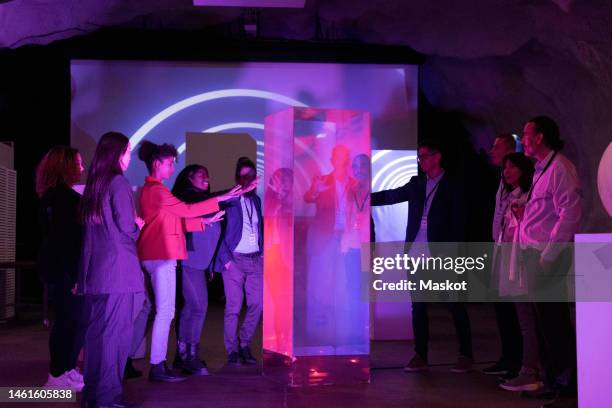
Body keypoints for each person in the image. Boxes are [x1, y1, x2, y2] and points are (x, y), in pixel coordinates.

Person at [137, 141, 246, 382]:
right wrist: (224, 196)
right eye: (170, 163)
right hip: (161, 253)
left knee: (169, 311)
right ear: (157, 164)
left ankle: (165, 362)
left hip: (163, 253)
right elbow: (186, 210)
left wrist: (203, 223)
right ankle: (158, 366)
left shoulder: (156, 190)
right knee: (166, 312)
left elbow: (174, 220)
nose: (173, 167)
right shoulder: (157, 190)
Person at [371, 139, 473, 373]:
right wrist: (366, 197)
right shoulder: (417, 183)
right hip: (417, 251)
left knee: (454, 304)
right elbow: (392, 195)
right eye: (419, 157)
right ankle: (420, 355)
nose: (421, 161)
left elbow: (459, 222)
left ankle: (466, 354)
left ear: (438, 157)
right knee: (418, 305)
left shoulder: (453, 184)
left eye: (425, 156)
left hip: (443, 252)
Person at [512, 116, 581, 408]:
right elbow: (546, 213)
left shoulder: (561, 168)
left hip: (547, 258)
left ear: (540, 137)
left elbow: (569, 214)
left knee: (555, 325)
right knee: (543, 324)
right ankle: (552, 382)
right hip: (534, 255)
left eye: (526, 134)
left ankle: (565, 387)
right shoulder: (542, 169)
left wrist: (548, 255)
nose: (523, 139)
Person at [78, 132, 145, 408]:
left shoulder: (95, 185)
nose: (129, 157)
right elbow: (127, 228)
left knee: (97, 337)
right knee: (115, 338)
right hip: (120, 274)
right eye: (128, 151)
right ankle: (108, 398)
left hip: (97, 274)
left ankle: (94, 396)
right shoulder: (118, 183)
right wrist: (138, 225)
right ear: (117, 153)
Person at [36, 146, 86, 391]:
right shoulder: (65, 199)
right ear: (66, 166)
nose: (82, 168)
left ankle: (65, 369)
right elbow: (66, 242)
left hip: (58, 269)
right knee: (68, 322)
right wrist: (75, 276)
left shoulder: (52, 196)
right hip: (66, 271)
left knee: (72, 322)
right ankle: (56, 376)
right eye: (78, 163)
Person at [170, 165, 222, 375]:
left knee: (192, 308)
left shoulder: (201, 197)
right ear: (189, 178)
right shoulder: (188, 197)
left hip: (200, 264)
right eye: (202, 174)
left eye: (207, 173)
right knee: (197, 307)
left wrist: (210, 264)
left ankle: (185, 357)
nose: (206, 176)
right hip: (188, 262)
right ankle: (187, 357)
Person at [482, 134, 524, 379]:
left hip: (513, 252)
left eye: (496, 146)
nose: (491, 150)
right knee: (502, 308)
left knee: (513, 311)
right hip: (499, 248)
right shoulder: (500, 180)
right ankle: (508, 357)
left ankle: (517, 361)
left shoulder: (520, 186)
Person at [214, 157, 263, 365]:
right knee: (233, 307)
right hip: (233, 259)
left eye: (251, 175)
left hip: (255, 259)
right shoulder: (230, 198)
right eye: (244, 176)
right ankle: (232, 349)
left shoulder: (256, 200)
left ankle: (244, 344)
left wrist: (263, 252)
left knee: (257, 304)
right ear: (237, 178)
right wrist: (225, 259)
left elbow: (258, 227)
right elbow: (215, 216)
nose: (248, 180)